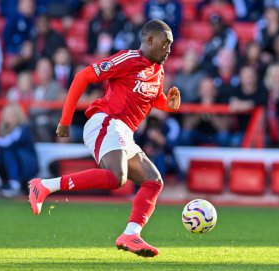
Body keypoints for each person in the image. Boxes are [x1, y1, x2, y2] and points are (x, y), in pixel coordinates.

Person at [28, 19, 180, 257]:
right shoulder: (129, 59)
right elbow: (82, 77)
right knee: (117, 178)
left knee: (153, 181)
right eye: (166, 43)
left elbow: (151, 98)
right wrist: (65, 120)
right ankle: (45, 185)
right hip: (106, 121)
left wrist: (167, 104)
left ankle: (131, 234)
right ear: (150, 40)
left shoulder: (158, 70)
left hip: (124, 131)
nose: (169, 49)